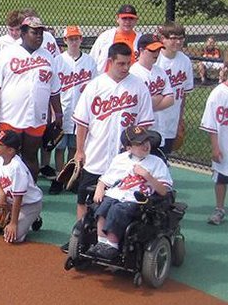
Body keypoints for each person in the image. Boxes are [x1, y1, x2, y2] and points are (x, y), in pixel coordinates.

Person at [71, 43, 154, 229]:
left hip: (125, 159)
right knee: (84, 197)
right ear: (110, 62)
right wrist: (79, 150)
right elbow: (82, 122)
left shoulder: (139, 87)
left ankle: (114, 238)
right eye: (121, 63)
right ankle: (79, 233)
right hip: (96, 154)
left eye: (128, 63)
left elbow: (145, 124)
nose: (125, 68)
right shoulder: (95, 86)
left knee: (122, 200)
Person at [0, 17, 62, 179]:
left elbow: (54, 89)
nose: (39, 36)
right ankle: (6, 190)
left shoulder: (48, 56)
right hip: (10, 115)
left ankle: (29, 191)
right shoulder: (7, 53)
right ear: (24, 33)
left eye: (41, 32)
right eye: (34, 32)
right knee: (8, 155)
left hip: (36, 116)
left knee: (31, 155)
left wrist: (59, 113)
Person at [86, 126, 172, 259]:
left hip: (138, 200)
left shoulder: (157, 163)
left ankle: (112, 246)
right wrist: (99, 188)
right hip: (116, 194)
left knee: (117, 210)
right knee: (101, 209)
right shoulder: (120, 159)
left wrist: (147, 176)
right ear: (128, 148)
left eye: (146, 141)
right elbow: (106, 179)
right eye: (139, 144)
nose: (145, 146)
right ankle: (101, 243)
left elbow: (164, 190)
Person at [49, 26, 97, 194]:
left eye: (77, 38)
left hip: (81, 111)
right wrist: (55, 112)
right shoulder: (58, 61)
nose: (74, 42)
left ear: (81, 40)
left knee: (75, 147)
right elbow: (52, 88)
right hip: (63, 109)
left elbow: (94, 87)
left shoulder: (90, 61)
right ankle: (59, 177)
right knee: (60, 146)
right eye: (71, 39)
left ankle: (71, 177)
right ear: (65, 41)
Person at [0, 130, 44, 242]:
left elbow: (18, 198)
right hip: (10, 200)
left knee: (14, 238)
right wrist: (1, 194)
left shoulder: (17, 168)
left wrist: (13, 224)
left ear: (10, 150)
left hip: (28, 204)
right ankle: (3, 221)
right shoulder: (1, 159)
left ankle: (33, 217)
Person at [156, 22, 194, 156]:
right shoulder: (156, 60)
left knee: (165, 156)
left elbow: (183, 94)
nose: (178, 42)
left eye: (181, 38)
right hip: (154, 119)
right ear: (163, 39)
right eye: (173, 38)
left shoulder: (185, 61)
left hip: (172, 119)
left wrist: (180, 119)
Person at [200, 76, 228, 225]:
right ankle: (219, 209)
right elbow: (211, 124)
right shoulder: (219, 93)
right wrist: (215, 147)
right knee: (221, 179)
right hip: (224, 144)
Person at [129, 34, 174, 123]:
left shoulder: (160, 71)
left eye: (158, 50)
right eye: (153, 50)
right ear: (141, 50)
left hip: (160, 125)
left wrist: (150, 107)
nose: (157, 53)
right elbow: (138, 105)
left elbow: (170, 100)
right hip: (141, 125)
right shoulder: (133, 73)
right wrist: (161, 96)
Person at [89, 4, 142, 71]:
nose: (127, 22)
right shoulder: (105, 36)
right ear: (117, 19)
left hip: (132, 78)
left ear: (136, 20)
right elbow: (92, 58)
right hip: (107, 78)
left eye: (131, 18)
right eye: (124, 18)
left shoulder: (140, 39)